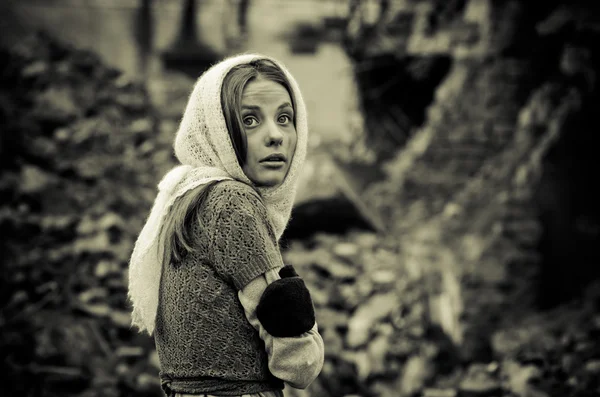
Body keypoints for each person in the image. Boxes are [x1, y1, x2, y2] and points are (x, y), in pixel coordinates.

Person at [127, 54, 324, 397]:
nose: (275, 135)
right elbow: (296, 363)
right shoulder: (232, 202)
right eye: (250, 120)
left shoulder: (187, 197)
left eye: (285, 117)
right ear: (217, 129)